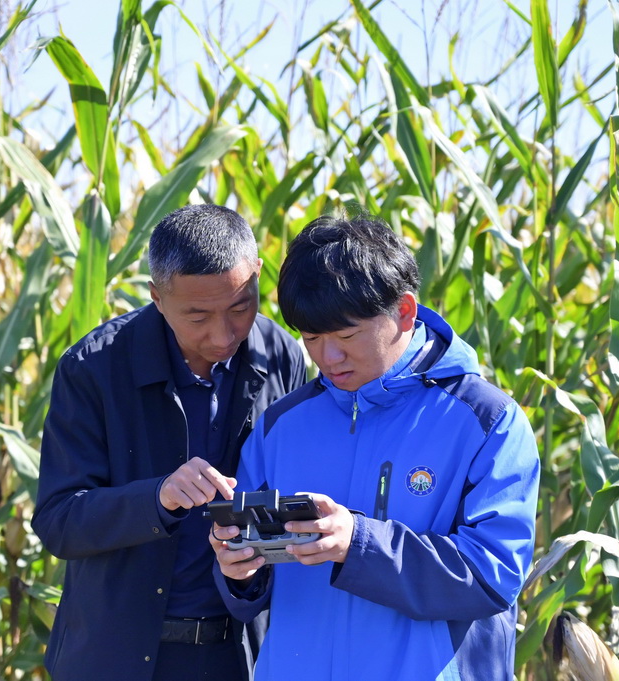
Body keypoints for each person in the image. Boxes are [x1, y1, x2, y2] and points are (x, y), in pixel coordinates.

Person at [211, 216, 540, 681]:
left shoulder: (486, 421)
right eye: (311, 340)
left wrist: (357, 543)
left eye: (345, 337)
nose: (328, 358)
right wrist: (239, 571)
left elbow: (492, 576)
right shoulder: (280, 427)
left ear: (404, 311)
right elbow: (251, 589)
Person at [32, 204, 307, 681]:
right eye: (198, 316)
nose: (224, 335)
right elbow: (59, 521)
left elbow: (286, 496)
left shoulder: (281, 354)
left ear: (258, 275)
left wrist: (254, 566)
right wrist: (156, 499)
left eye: (241, 306)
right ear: (156, 297)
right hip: (115, 657)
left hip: (239, 655)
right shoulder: (93, 369)